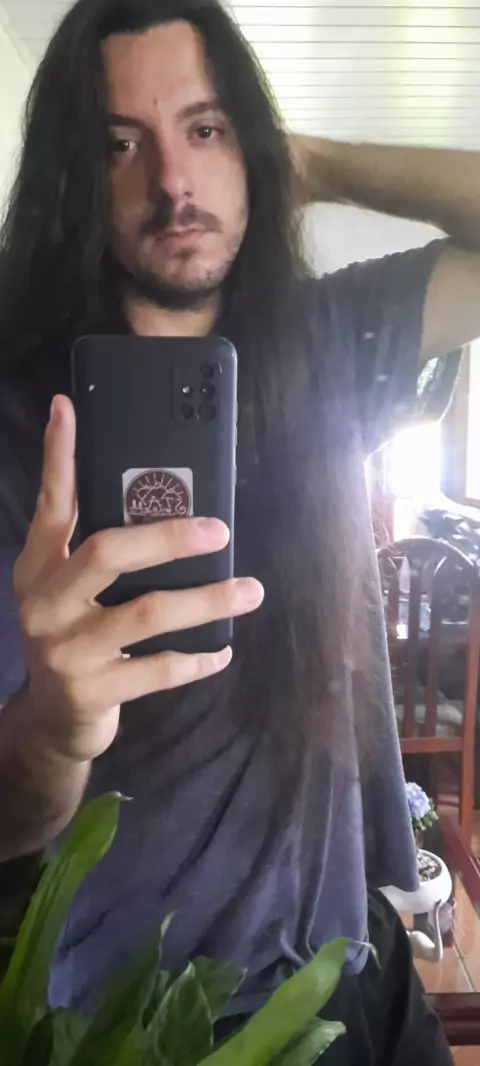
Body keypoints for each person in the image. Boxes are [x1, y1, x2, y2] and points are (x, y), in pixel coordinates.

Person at [0, 0, 479, 1060]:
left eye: (206, 128)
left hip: (349, 968)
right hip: (158, 1020)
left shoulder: (326, 339)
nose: (174, 179)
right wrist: (54, 731)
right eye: (121, 144)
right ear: (76, 179)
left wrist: (312, 162)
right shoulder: (23, 425)